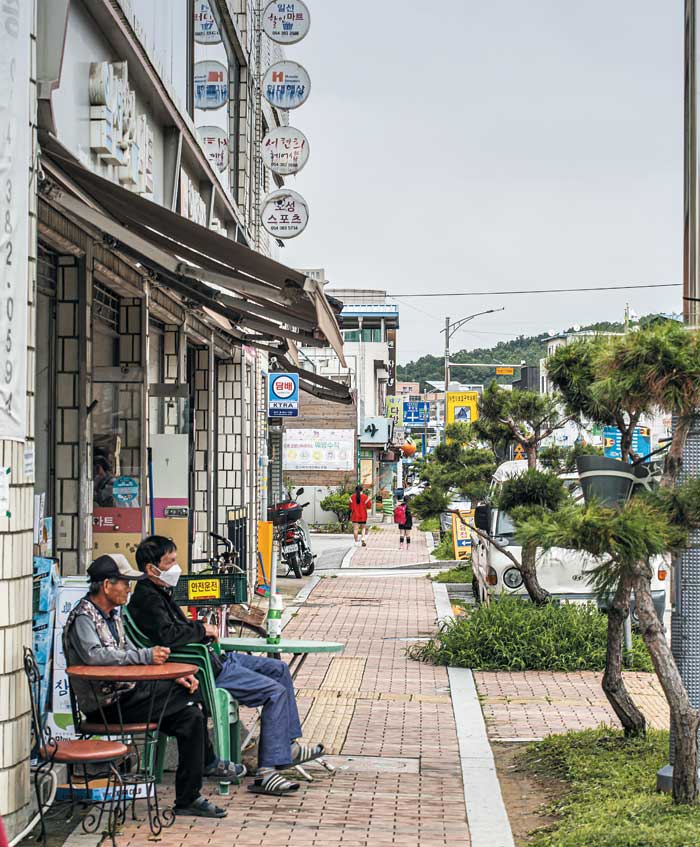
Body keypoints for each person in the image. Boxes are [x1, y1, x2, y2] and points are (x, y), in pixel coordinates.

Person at [129, 536, 325, 798]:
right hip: (207, 670)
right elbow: (168, 635)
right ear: (152, 569)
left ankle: (286, 745)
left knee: (279, 670)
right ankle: (267, 772)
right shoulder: (147, 599)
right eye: (170, 562)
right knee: (274, 692)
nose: (177, 567)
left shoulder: (160, 592)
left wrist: (202, 631)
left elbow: (176, 629)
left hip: (217, 659)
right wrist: (202, 629)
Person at [63, 553, 237, 819]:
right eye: (124, 582)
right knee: (192, 696)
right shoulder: (84, 617)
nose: (128, 588)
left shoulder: (113, 615)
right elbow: (95, 656)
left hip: (133, 696)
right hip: (109, 706)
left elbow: (129, 650)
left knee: (190, 715)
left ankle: (189, 797)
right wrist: (146, 657)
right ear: (107, 585)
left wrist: (169, 676)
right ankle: (210, 764)